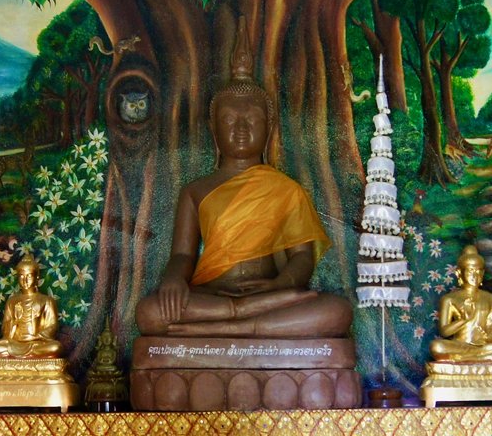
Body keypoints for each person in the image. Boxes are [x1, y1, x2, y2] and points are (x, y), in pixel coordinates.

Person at [135, 75, 351, 339]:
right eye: (228, 120)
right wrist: (173, 279)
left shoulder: (286, 189)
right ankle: (240, 314)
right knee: (149, 312)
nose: (240, 128)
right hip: (212, 294)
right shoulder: (195, 191)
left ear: (269, 127)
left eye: (252, 119)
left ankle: (236, 322)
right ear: (214, 129)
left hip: (268, 294)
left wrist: (280, 284)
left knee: (338, 311)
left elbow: (302, 257)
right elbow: (183, 255)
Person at [429, 244, 492, 362]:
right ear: (459, 273)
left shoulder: (490, 298)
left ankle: (469, 358)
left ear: (483, 274)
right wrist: (465, 319)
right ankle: (482, 358)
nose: (475, 276)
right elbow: (444, 331)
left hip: (486, 346)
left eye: (478, 272)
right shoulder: (449, 299)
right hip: (461, 346)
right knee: (437, 347)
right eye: (470, 271)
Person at [0, 253, 64, 357]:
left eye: (29, 276)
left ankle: (23, 356)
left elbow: (52, 325)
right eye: (21, 276)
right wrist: (16, 319)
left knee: (55, 347)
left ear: (37, 277)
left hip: (36, 344)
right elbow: (5, 329)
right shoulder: (12, 301)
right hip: (13, 344)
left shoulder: (46, 300)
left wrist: (37, 336)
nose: (25, 280)